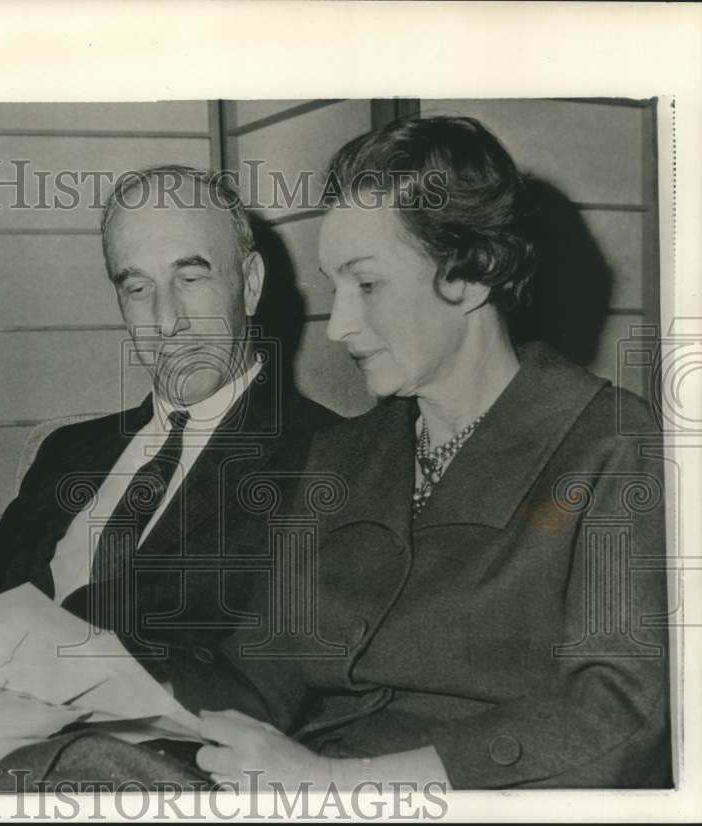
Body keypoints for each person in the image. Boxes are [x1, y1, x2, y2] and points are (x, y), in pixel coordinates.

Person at [196, 116, 672, 790]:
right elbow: (256, 675)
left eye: (369, 285)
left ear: (473, 274)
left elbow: (618, 721)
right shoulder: (341, 456)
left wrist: (339, 786)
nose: (338, 326)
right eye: (336, 289)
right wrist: (100, 690)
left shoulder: (612, 445)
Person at [0, 165, 338, 787]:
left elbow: (292, 678)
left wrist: (69, 681)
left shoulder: (327, 456)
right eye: (136, 287)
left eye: (191, 277)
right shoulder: (69, 452)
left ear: (252, 283)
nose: (166, 320)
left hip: (131, 769)